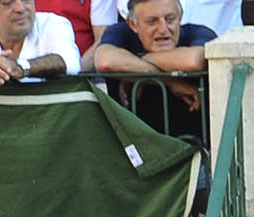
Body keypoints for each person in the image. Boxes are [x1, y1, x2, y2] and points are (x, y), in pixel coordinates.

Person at [82, 0, 215, 139]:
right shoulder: (119, 32)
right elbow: (105, 61)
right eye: (152, 22)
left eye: (170, 19)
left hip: (197, 151)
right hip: (135, 153)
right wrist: (169, 81)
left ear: (180, 17)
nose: (163, 29)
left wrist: (136, 64)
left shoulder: (198, 32)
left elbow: (193, 61)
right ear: (133, 25)